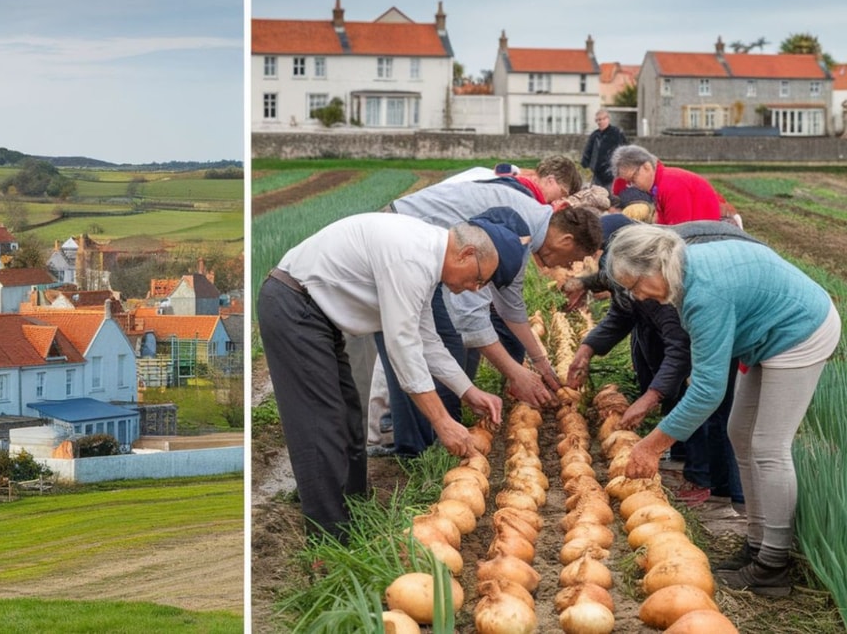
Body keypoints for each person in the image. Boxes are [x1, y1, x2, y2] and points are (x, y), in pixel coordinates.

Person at [257, 210, 525, 542]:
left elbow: (426, 340)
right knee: (320, 424)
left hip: (315, 315)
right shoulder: (412, 258)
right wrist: (441, 421)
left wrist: (468, 390)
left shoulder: (425, 260)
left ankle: (354, 508)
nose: (473, 288)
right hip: (294, 307)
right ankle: (328, 538)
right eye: (478, 278)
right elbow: (403, 347)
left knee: (349, 415)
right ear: (466, 254)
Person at [605, 224, 840, 596]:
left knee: (768, 446)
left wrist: (650, 446)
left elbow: (707, 392)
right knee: (739, 432)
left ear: (655, 267)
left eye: (634, 285)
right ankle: (757, 541)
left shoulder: (704, 295)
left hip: (800, 330)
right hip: (764, 333)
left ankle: (773, 566)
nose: (635, 296)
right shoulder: (681, 271)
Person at [380, 178, 603, 458]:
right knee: (427, 343)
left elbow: (510, 307)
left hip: (430, 252)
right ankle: (421, 451)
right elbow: (471, 317)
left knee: (450, 345)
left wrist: (540, 364)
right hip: (399, 247)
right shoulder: (515, 228)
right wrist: (516, 373)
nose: (567, 267)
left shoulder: (526, 229)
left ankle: (443, 435)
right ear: (566, 240)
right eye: (573, 259)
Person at [565, 217, 750, 508]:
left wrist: (650, 398)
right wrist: (586, 350)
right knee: (697, 400)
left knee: (712, 406)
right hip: (713, 322)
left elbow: (680, 351)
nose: (632, 293)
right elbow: (621, 315)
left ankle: (715, 485)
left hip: (725, 326)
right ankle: (702, 473)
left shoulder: (663, 285)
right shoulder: (630, 280)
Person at [609, 145, 735, 225]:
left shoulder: (671, 186)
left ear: (646, 167)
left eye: (633, 178)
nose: (633, 185)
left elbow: (679, 232)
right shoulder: (660, 185)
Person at [580, 109, 627, 191]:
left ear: (608, 119)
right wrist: (585, 163)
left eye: (603, 119)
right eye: (598, 120)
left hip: (612, 172)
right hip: (597, 173)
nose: (600, 122)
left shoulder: (617, 133)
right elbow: (588, 151)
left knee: (612, 196)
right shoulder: (595, 135)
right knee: (596, 196)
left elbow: (625, 150)